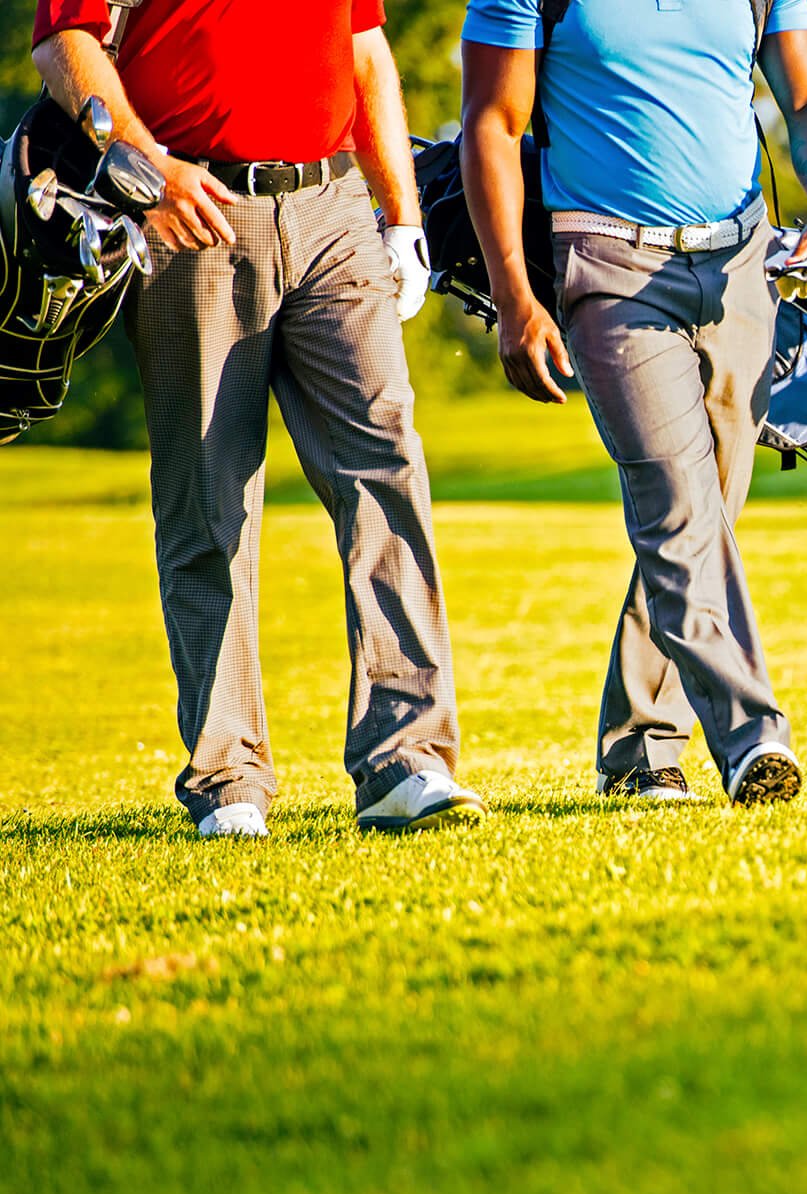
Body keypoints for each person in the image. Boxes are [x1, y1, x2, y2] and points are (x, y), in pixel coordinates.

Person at [32, 0, 485, 837]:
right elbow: (66, 43)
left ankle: (406, 759)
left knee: (386, 467)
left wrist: (405, 216)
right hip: (191, 206)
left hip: (333, 207)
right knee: (207, 498)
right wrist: (145, 168)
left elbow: (365, 48)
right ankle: (228, 777)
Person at [460, 0, 807, 805]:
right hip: (607, 266)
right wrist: (512, 293)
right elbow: (492, 125)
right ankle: (753, 738)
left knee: (706, 513)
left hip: (742, 264)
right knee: (677, 504)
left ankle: (641, 746)